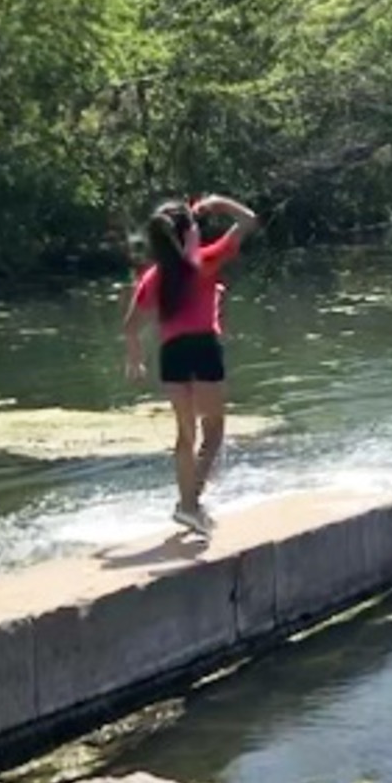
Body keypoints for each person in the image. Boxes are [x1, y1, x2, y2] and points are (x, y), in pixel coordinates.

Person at [123, 194, 261, 534]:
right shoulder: (205, 260)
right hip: (202, 347)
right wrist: (218, 204)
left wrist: (135, 358)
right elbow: (249, 221)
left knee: (185, 436)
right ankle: (189, 503)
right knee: (213, 433)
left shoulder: (154, 278)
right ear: (188, 232)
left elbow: (131, 327)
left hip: (172, 354)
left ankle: (188, 505)